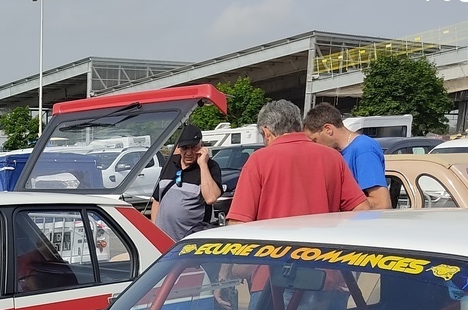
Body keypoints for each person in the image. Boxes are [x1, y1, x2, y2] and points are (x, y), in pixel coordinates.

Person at [227, 99, 368, 224]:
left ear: (266, 132)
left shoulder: (258, 161)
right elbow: (361, 209)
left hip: (275, 244)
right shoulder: (333, 157)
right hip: (323, 243)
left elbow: (239, 222)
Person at [303, 103, 391, 209]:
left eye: (315, 140)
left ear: (328, 129)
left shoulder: (363, 148)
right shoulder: (339, 153)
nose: (314, 146)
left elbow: (381, 203)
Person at [149, 123, 223, 240]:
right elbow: (157, 200)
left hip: (191, 241)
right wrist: (154, 230)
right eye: (185, 148)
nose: (189, 153)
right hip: (163, 240)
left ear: (201, 146)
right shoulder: (170, 164)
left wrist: (203, 165)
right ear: (179, 148)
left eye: (193, 147)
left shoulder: (210, 167)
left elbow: (211, 198)